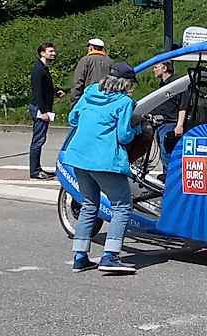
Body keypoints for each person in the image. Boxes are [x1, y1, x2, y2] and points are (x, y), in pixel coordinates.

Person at [64, 62, 141, 274]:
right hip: (104, 160)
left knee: (89, 205)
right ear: (126, 83)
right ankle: (110, 255)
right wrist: (137, 130)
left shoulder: (89, 92)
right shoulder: (124, 102)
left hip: (79, 156)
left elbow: (72, 118)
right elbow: (123, 135)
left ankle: (80, 256)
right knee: (122, 206)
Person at [29, 43, 65, 180]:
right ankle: (35, 171)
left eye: (54, 51)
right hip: (39, 109)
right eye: (50, 51)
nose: (53, 53)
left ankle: (38, 169)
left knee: (40, 139)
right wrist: (43, 111)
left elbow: (45, 89)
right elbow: (37, 92)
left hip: (41, 108)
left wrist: (55, 92)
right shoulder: (38, 70)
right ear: (42, 53)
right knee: (38, 140)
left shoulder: (43, 68)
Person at [150, 60, 188, 183]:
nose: (153, 70)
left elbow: (183, 105)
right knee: (163, 153)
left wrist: (179, 125)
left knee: (167, 153)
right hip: (160, 124)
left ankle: (173, 180)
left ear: (165, 68)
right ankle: (167, 176)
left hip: (170, 123)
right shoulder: (162, 85)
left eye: (156, 67)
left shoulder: (177, 84)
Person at [71, 38, 114, 106]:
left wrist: (75, 102)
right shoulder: (110, 62)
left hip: (89, 100)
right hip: (107, 100)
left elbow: (78, 82)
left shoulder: (85, 60)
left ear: (91, 47)